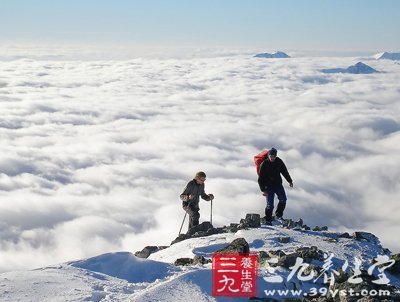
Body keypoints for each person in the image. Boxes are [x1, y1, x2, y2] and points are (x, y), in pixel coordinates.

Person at [258, 148, 293, 224]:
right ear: (268, 156)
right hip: (268, 186)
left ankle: (278, 215)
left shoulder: (279, 161)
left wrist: (289, 181)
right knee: (270, 205)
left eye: (273, 156)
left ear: (276, 156)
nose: (272, 157)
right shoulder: (264, 164)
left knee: (283, 199)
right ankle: (268, 220)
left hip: (278, 184)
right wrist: (263, 190)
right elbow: (260, 178)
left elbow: (284, 171)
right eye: (270, 156)